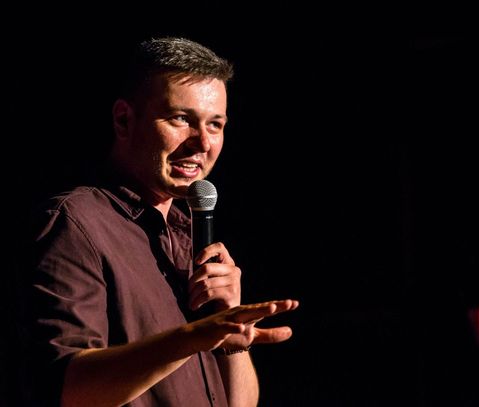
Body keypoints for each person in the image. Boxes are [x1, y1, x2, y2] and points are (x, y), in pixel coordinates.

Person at [17, 36, 299, 407]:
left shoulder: (190, 236)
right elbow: (69, 390)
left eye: (215, 124)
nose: (202, 143)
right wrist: (192, 338)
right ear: (124, 120)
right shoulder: (77, 224)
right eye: (181, 119)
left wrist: (228, 327)